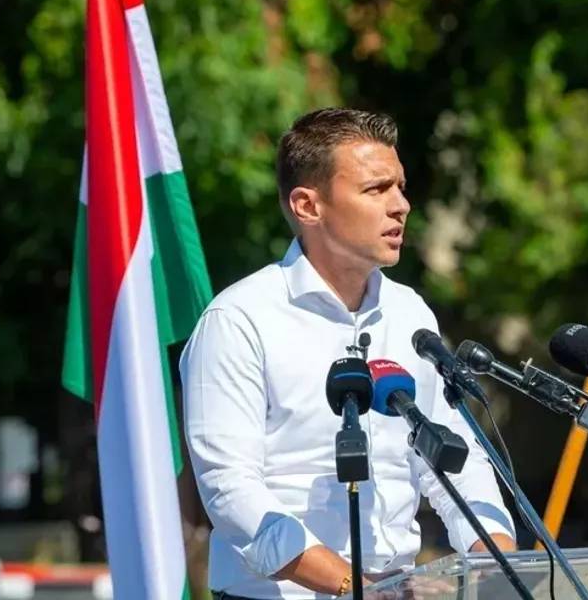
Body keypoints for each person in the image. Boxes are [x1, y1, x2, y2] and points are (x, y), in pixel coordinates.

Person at [180, 108, 516, 600]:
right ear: (307, 206)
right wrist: (351, 585)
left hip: (397, 592)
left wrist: (496, 558)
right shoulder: (239, 320)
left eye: (400, 187)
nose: (401, 206)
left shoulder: (410, 314)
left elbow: (454, 457)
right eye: (376, 189)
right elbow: (231, 491)